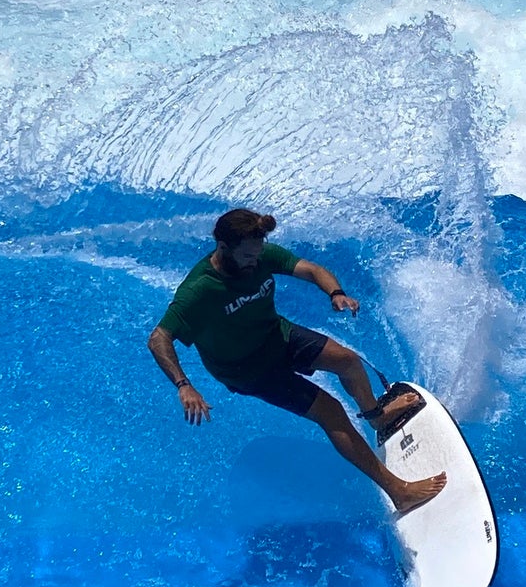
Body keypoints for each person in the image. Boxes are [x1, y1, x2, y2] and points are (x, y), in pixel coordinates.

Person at [148, 207, 445, 516]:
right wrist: (184, 385)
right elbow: (158, 338)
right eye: (248, 256)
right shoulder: (199, 289)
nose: (255, 262)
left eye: (258, 254)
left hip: (276, 335)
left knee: (348, 361)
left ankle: (376, 416)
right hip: (247, 369)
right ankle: (399, 492)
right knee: (330, 412)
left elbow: (312, 270)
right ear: (223, 248)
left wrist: (335, 293)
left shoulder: (260, 255)